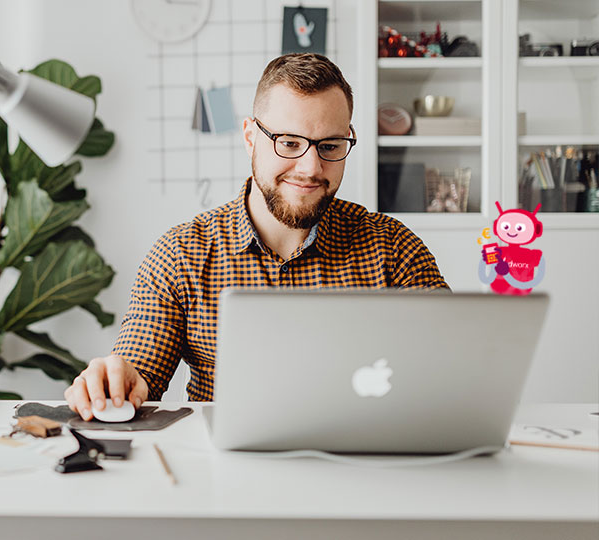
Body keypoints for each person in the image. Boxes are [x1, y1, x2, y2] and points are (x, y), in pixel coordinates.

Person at [65, 53, 449, 420]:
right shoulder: (181, 253)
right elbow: (139, 372)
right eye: (289, 143)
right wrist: (117, 381)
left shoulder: (394, 248)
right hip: (225, 475)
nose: (311, 168)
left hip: (365, 468)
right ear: (250, 136)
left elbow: (454, 365)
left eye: (330, 146)